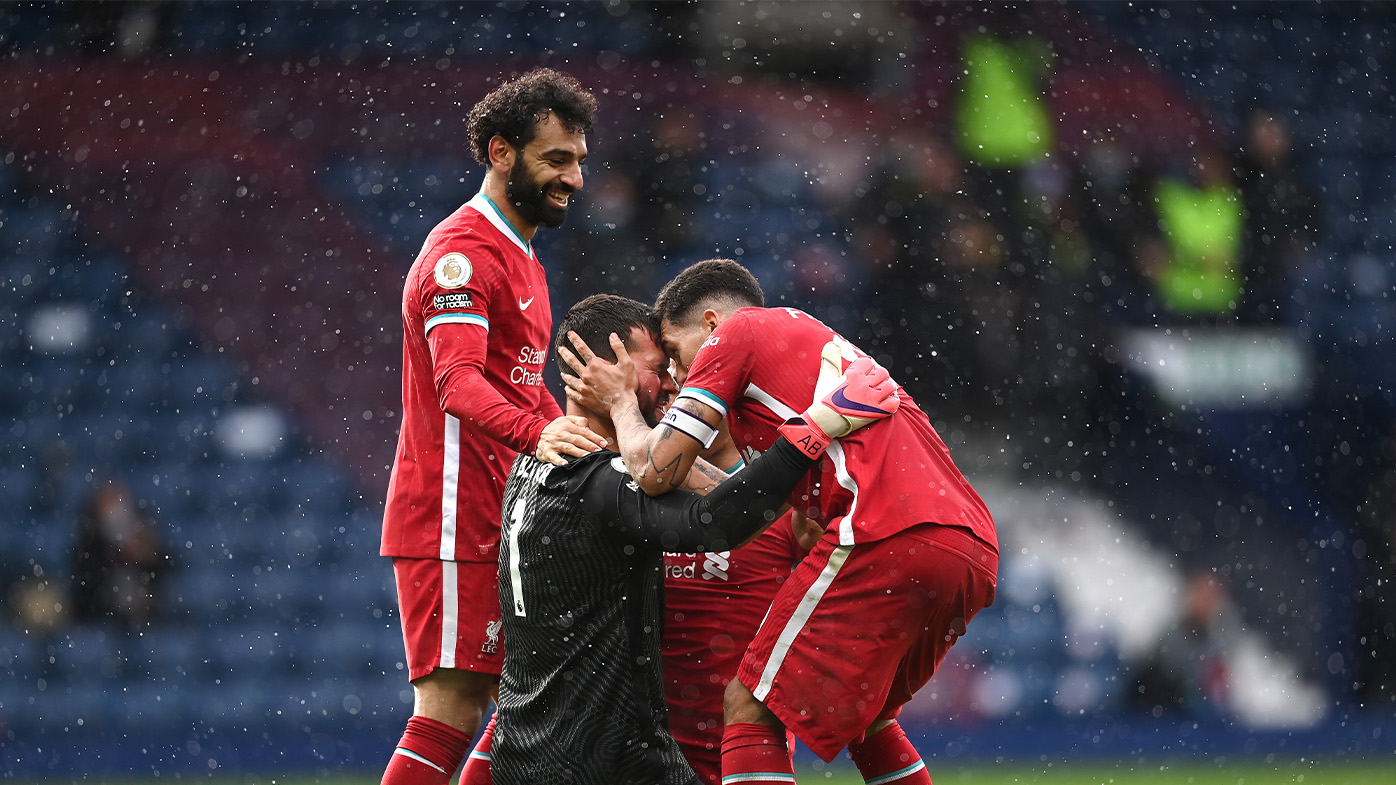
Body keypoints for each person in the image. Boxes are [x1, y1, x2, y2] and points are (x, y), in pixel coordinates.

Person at [561, 259, 1000, 784]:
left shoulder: (738, 333)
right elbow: (745, 502)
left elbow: (655, 472)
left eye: (675, 352)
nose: (678, 375)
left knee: (748, 705)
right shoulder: (800, 354)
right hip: (967, 544)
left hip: (883, 532)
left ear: (710, 324)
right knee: (870, 720)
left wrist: (619, 404)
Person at [493, 294, 898, 785]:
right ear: (603, 372)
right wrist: (813, 429)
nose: (672, 383)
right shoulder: (600, 482)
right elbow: (715, 524)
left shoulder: (534, 463)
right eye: (655, 369)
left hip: (536, 747)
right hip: (609, 758)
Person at [378, 67, 608, 785]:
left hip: (501, 511)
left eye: (579, 160)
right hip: (451, 515)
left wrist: (588, 449)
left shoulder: (523, 256)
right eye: (557, 159)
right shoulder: (463, 254)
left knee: (521, 701)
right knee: (452, 708)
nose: (574, 178)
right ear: (501, 152)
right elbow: (457, 384)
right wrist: (542, 436)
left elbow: (521, 388)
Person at [71, 477, 171, 629]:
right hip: (102, 617)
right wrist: (112, 556)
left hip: (146, 615)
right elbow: (85, 580)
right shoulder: (89, 543)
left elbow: (164, 569)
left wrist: (143, 554)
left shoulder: (145, 530)